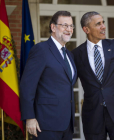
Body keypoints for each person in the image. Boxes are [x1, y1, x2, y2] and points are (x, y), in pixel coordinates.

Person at [72, 11, 114, 140]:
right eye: (98, 24)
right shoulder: (76, 54)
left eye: (103, 22)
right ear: (86, 29)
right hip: (92, 117)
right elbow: (66, 80)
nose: (103, 26)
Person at [20, 11, 77, 140]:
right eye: (64, 25)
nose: (69, 29)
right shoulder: (41, 50)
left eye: (71, 26)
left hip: (67, 124)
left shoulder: (69, 55)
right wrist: (30, 117)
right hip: (46, 124)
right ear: (53, 27)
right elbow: (27, 86)